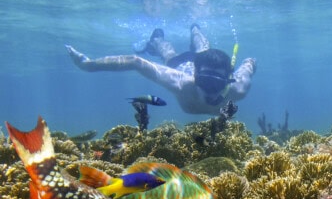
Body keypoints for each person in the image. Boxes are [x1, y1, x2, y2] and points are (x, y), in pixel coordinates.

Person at [66, 24, 256, 115]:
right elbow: (135, 61)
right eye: (206, 81)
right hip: (183, 66)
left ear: (228, 80)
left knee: (205, 50)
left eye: (218, 83)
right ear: (196, 77)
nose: (210, 90)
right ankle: (158, 39)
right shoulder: (181, 83)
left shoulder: (238, 89)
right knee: (170, 56)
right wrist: (89, 65)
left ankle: (195, 29)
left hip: (204, 65)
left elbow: (249, 63)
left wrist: (251, 63)